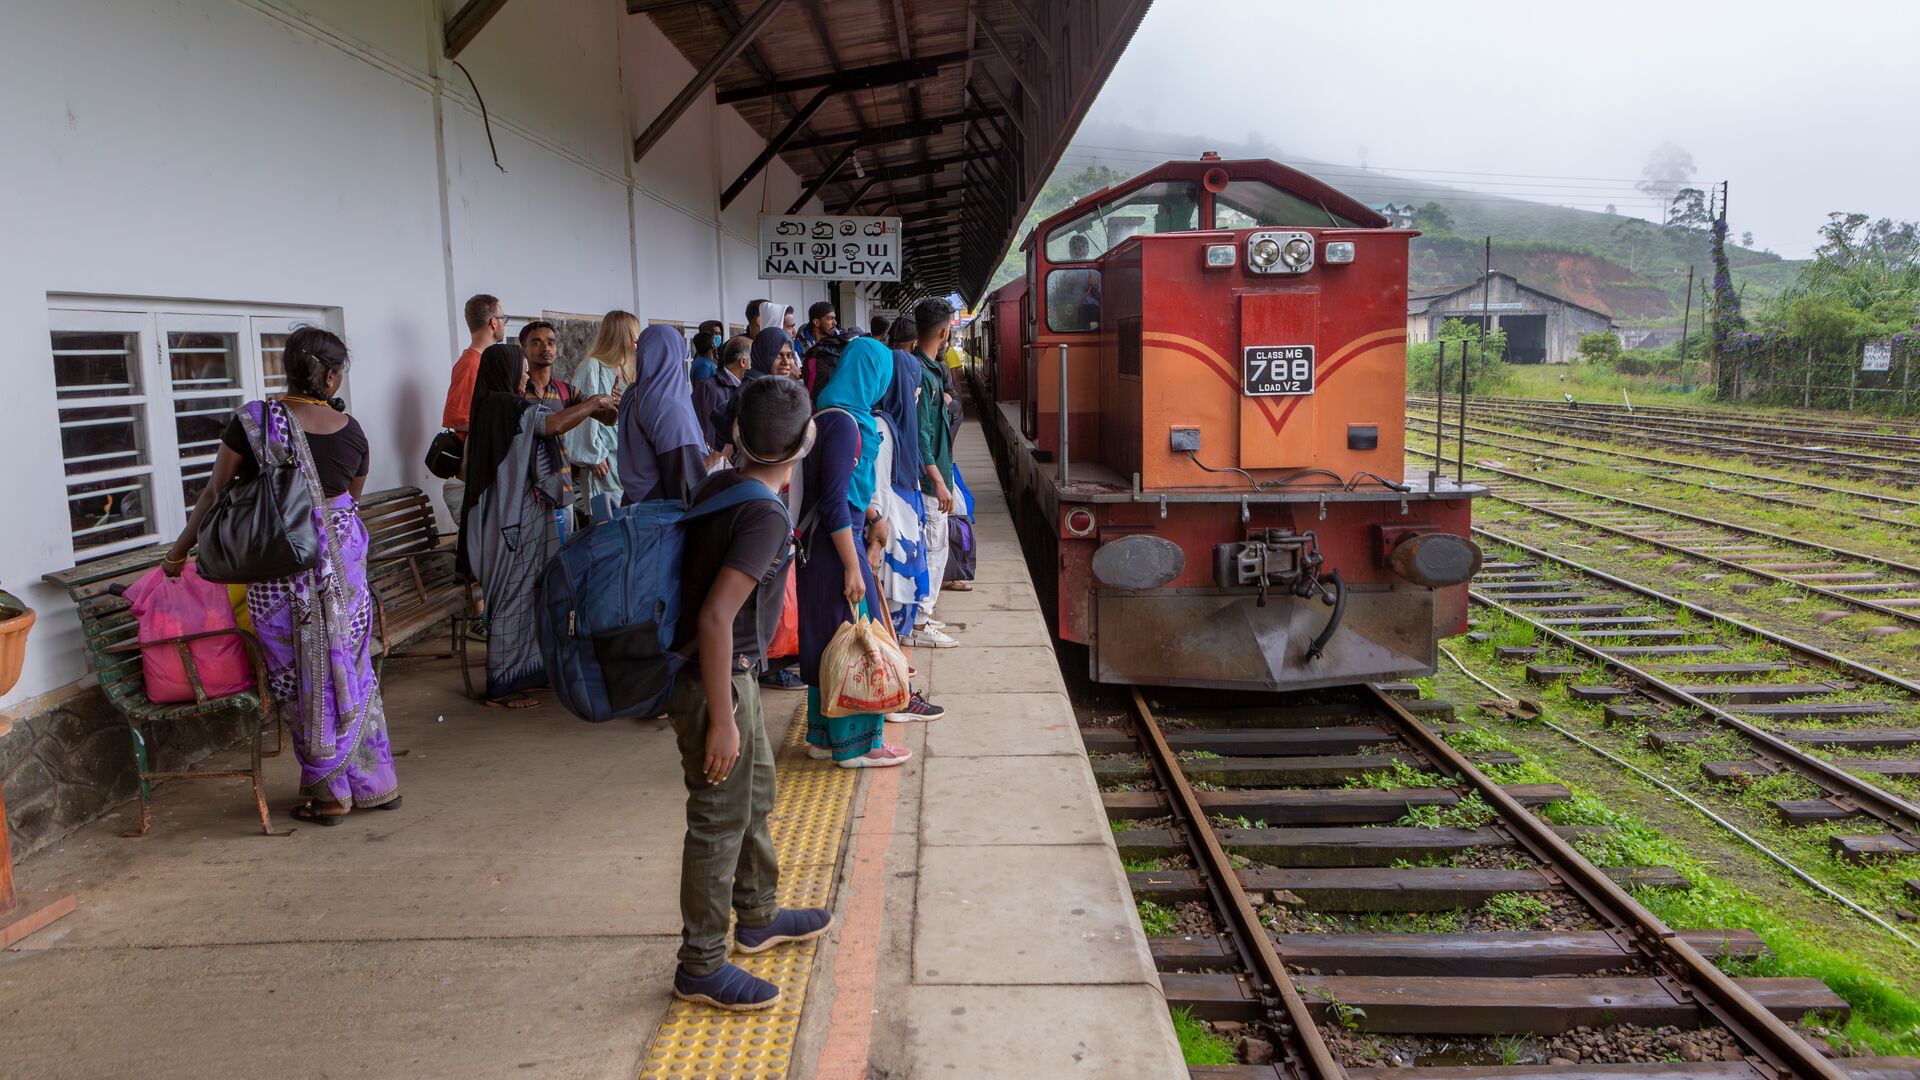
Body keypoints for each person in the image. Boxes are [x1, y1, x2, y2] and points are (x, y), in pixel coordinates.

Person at [162, 328, 397, 824]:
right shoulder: (353, 431)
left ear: (288, 367)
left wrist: (179, 553)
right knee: (351, 676)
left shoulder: (255, 422)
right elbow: (348, 501)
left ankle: (332, 795)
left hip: (281, 579)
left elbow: (214, 494)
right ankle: (374, 783)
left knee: (302, 682)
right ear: (332, 375)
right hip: (345, 580)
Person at [667, 376, 830, 1011]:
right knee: (717, 817)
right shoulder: (763, 513)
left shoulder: (721, 484)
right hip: (713, 679)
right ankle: (700, 966)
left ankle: (758, 917)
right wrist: (724, 721)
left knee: (755, 791)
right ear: (803, 444)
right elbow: (714, 617)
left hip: (731, 674)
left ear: (736, 437)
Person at [462, 343, 618, 708]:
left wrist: (594, 407)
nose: (524, 376)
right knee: (512, 600)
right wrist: (593, 404)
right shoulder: (505, 407)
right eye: (519, 370)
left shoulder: (491, 408)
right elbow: (552, 424)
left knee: (529, 595)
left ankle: (529, 672)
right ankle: (502, 685)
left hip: (511, 519)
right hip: (509, 524)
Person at [799, 337, 913, 769]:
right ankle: (858, 745)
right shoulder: (848, 424)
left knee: (829, 639)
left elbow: (837, 486)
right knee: (857, 639)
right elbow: (833, 501)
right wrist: (853, 565)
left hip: (819, 544)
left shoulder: (826, 414)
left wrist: (872, 511)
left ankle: (823, 736)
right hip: (836, 546)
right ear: (873, 376)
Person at [873, 319, 945, 719]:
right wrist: (884, 536)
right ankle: (894, 697)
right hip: (892, 542)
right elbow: (879, 495)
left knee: (894, 622)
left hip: (903, 537)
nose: (917, 391)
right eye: (914, 384)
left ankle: (898, 689)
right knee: (887, 621)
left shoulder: (897, 428)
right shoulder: (884, 431)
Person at [910, 298, 965, 640]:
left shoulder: (925, 369)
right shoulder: (925, 375)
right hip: (931, 482)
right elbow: (922, 433)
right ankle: (919, 622)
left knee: (936, 545)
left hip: (935, 475)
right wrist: (938, 480)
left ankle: (923, 616)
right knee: (932, 547)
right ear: (945, 331)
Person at [618, 324, 711, 504]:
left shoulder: (632, 394)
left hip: (635, 505)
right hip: (662, 515)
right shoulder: (669, 406)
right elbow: (685, 484)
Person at [442, 293, 505, 524]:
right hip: (475, 467)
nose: (503, 325)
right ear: (493, 322)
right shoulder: (471, 363)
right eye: (503, 318)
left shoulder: (485, 360)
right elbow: (455, 418)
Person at [567, 311, 638, 516]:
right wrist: (594, 454)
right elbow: (580, 414)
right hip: (604, 462)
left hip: (625, 458)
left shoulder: (626, 369)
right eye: (634, 335)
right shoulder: (593, 366)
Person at [519, 321, 577, 542]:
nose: (546, 348)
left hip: (562, 489)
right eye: (536, 343)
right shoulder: (518, 392)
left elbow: (607, 418)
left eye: (551, 342)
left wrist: (611, 403)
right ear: (524, 349)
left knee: (564, 554)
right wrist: (593, 405)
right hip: (527, 493)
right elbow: (554, 425)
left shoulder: (565, 390)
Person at [693, 335, 750, 453]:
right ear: (743, 362)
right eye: (754, 358)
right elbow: (707, 436)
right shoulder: (709, 389)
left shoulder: (744, 386)